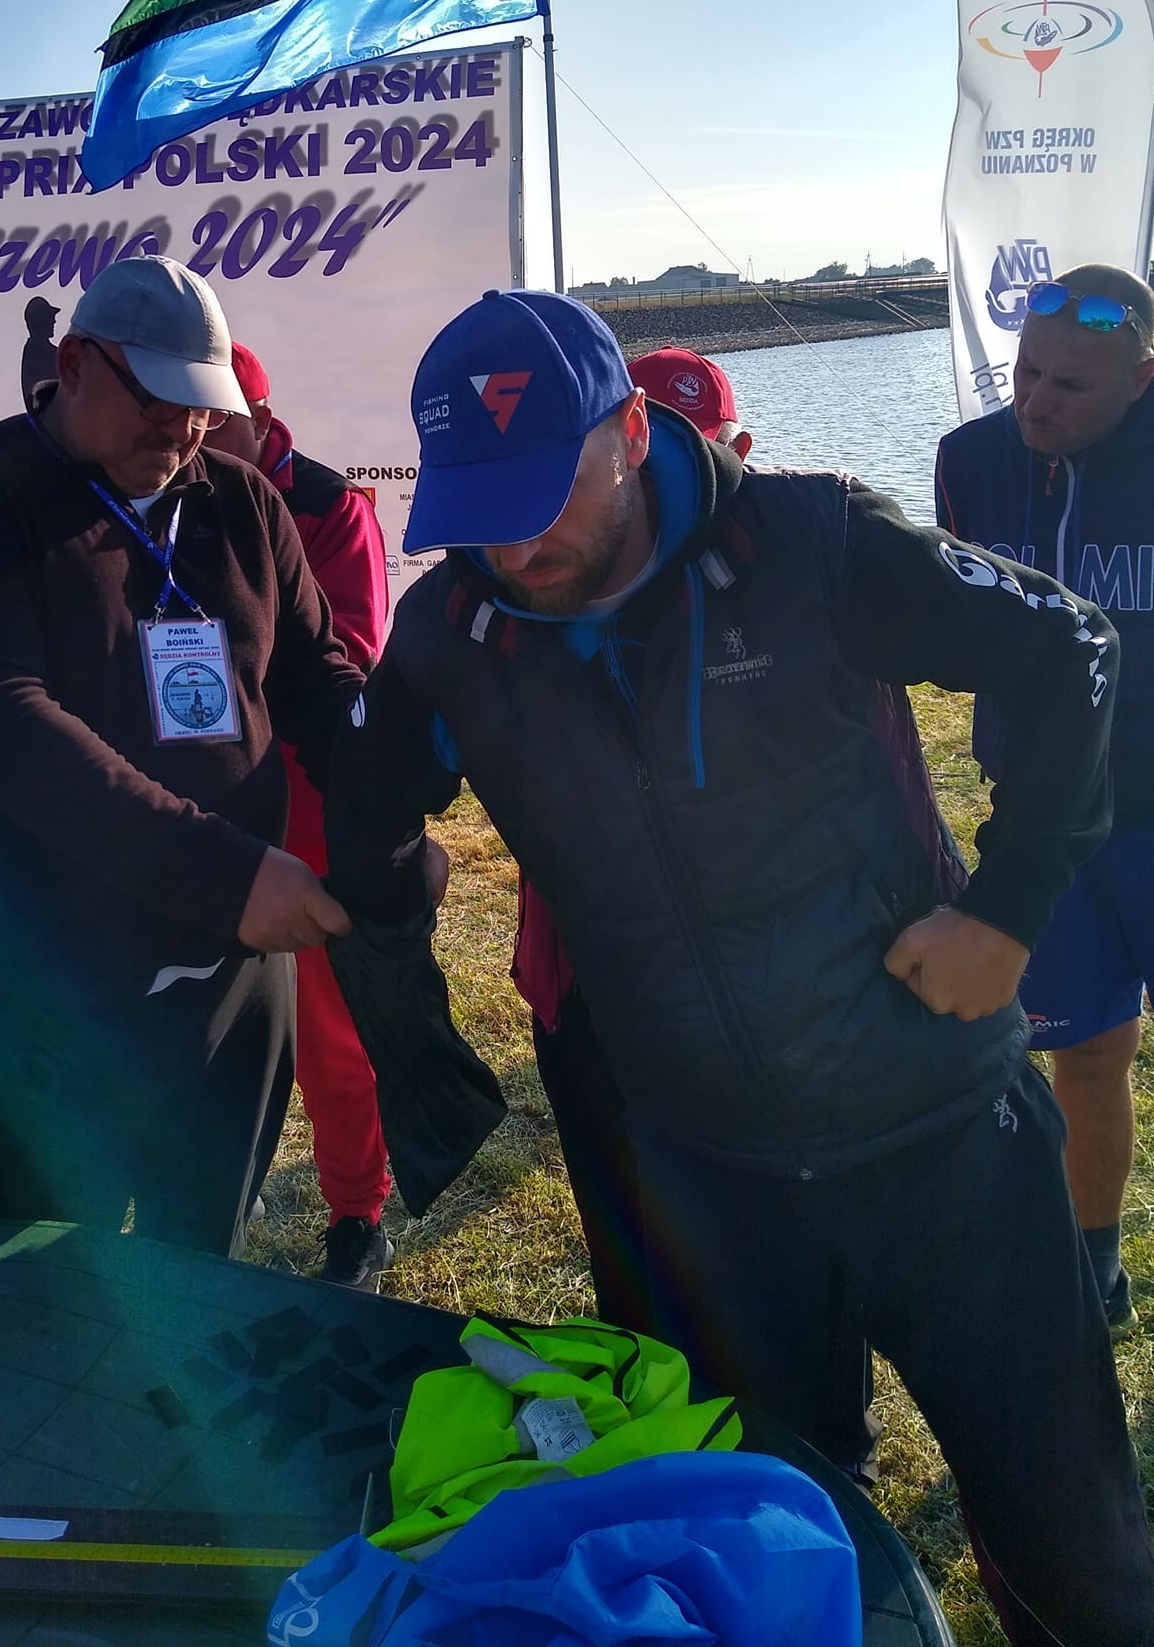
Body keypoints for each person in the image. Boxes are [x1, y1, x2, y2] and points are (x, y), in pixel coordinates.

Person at [325, 288, 1154, 1646]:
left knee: (1074, 1549)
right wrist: (415, 1034)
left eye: (542, 495)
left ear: (628, 431)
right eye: (479, 509)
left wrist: (1009, 912)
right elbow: (362, 814)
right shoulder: (455, 634)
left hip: (943, 1134)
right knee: (761, 1542)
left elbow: (1073, 647)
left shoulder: (812, 539)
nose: (516, 546)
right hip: (710, 1177)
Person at [0, 258, 364, 1256]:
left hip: (233, 973)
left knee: (202, 1261)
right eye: (157, 399)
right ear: (73, 364)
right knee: (43, 1274)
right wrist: (226, 874)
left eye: (203, 406)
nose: (183, 430)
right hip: (54, 982)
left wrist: (388, 807)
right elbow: (6, 725)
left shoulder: (240, 500)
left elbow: (316, 675)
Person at [513, 347, 752, 1333]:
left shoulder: (779, 577)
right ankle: (635, 1376)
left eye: (703, 445)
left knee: (747, 1258)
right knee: (622, 1235)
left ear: (736, 450)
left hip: (747, 982)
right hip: (583, 974)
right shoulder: (534, 587)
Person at [937, 262, 1154, 1334]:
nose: (1036, 402)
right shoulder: (970, 459)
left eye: (1072, 385)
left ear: (1143, 376)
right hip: (1044, 829)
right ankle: (1092, 1271)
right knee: (1088, 1049)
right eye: (1026, 372)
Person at [205, 342, 394, 1289]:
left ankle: (357, 1214)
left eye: (219, 423)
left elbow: (348, 653)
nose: (198, 440)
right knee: (211, 1012)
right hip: (210, 806)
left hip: (310, 810)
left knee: (330, 1036)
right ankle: (222, 1184)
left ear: (263, 420)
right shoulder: (166, 500)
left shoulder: (329, 506)